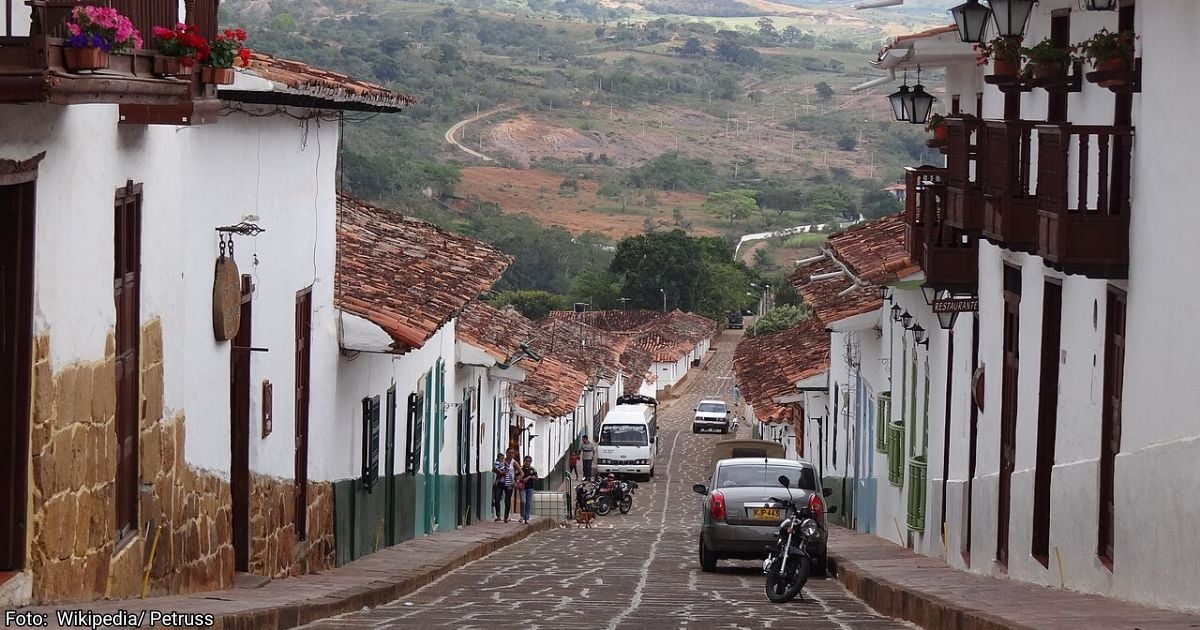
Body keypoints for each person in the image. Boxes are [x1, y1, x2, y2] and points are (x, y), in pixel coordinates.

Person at [519, 455, 538, 524]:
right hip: (522, 487)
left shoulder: (533, 469)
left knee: (528, 503)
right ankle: (522, 516)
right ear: (524, 461)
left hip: (530, 487)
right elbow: (516, 477)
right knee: (523, 501)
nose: (528, 463)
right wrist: (522, 479)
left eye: (529, 461)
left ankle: (527, 517)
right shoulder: (520, 468)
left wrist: (530, 477)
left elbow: (536, 478)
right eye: (526, 461)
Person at [500, 454, 517, 523]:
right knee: (497, 497)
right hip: (501, 482)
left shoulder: (514, 462)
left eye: (512, 453)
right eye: (509, 452)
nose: (510, 454)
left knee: (507, 500)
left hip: (509, 483)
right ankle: (498, 515)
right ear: (506, 453)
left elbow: (521, 473)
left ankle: (505, 517)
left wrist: (516, 481)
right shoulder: (502, 461)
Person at [491, 452, 507, 522]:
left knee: (507, 499)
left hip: (506, 483)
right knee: (497, 499)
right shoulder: (497, 463)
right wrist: (500, 472)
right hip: (499, 482)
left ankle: (506, 516)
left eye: (503, 458)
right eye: (501, 458)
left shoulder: (505, 463)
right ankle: (498, 515)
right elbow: (495, 469)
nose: (502, 459)